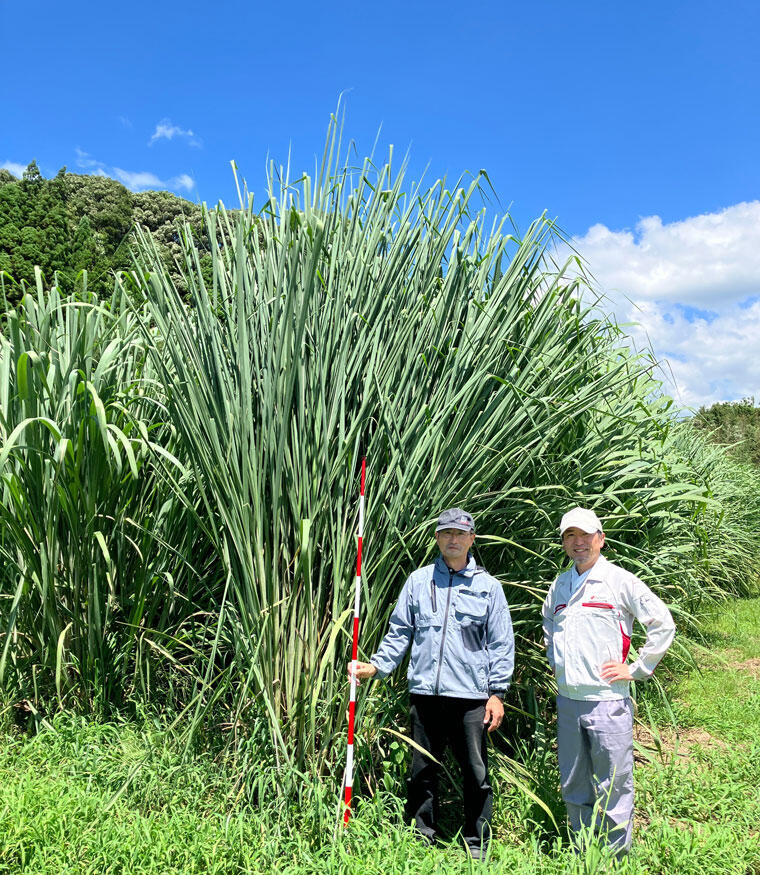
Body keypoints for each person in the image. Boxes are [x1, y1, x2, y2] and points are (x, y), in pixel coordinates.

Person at [350, 508, 514, 860]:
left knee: (475, 773)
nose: (453, 540)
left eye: (460, 534)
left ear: (472, 539)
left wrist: (497, 694)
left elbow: (501, 644)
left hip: (470, 697)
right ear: (438, 539)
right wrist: (377, 666)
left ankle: (477, 844)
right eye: (446, 533)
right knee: (421, 770)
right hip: (425, 693)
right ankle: (420, 837)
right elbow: (399, 632)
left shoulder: (489, 588)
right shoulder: (419, 582)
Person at [542, 507, 676, 856]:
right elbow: (549, 627)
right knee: (574, 782)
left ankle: (616, 856)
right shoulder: (560, 584)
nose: (578, 542)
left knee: (614, 782)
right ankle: (582, 849)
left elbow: (663, 623)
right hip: (568, 699)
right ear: (563, 543)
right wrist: (557, 665)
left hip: (608, 700)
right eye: (570, 536)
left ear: (600, 539)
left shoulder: (620, 581)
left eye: (585, 535)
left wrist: (637, 668)